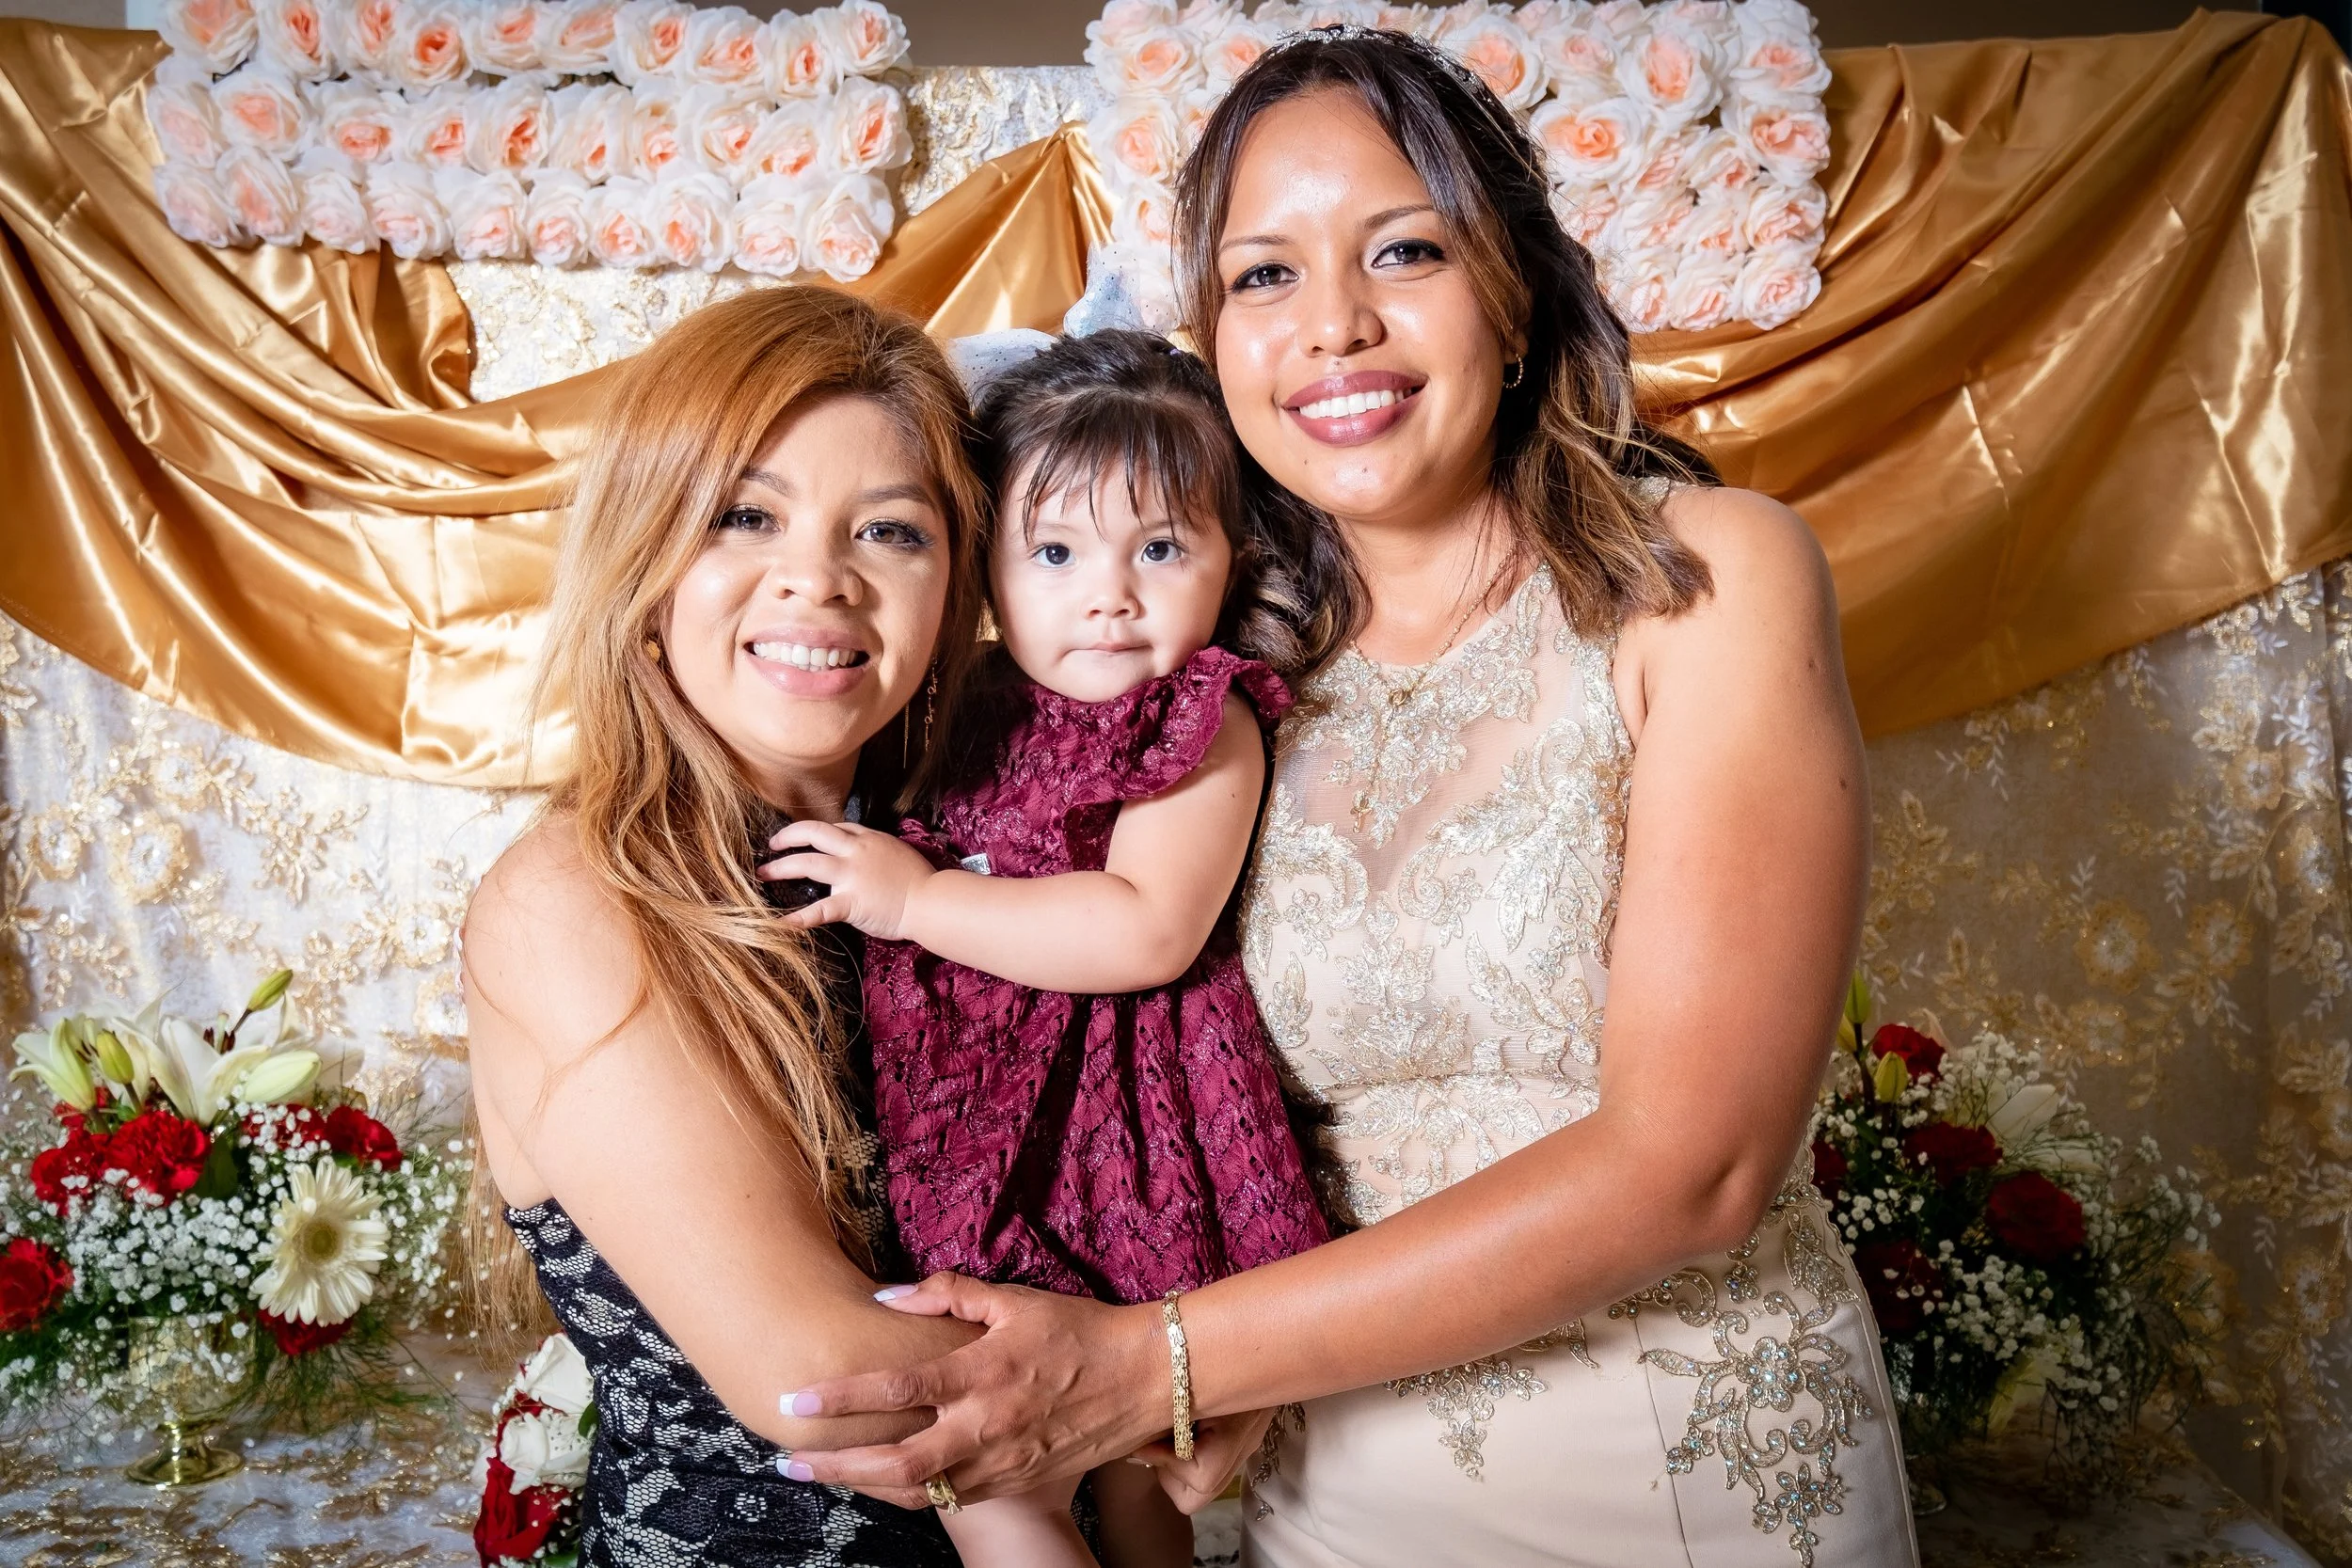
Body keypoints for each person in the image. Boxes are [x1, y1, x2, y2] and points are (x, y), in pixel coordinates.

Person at [776, 29, 1924, 1568]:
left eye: (1405, 249)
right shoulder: (1211, 665)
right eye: (1264, 275)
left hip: (1685, 1476)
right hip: (1322, 1497)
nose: (1333, 325)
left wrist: (1151, 1363)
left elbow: (1698, 1164)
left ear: (1514, 292)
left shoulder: (1706, 580)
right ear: (1210, 342)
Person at [763, 329, 1331, 1568]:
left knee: (1122, 1472)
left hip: (1123, 1134)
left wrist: (916, 901)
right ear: (985, 571)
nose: (1109, 594)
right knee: (991, 1457)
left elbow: (1146, 926)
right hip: (968, 1115)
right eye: (1058, 552)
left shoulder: (1199, 717)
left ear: (1234, 558)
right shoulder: (961, 698)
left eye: (1160, 549)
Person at [461, 286, 993, 1567]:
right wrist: (1172, 1370)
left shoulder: (957, 880)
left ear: (951, 594)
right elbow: (823, 1375)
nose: (820, 577)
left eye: (891, 531)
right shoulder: (572, 899)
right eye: (746, 516)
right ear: (646, 562)